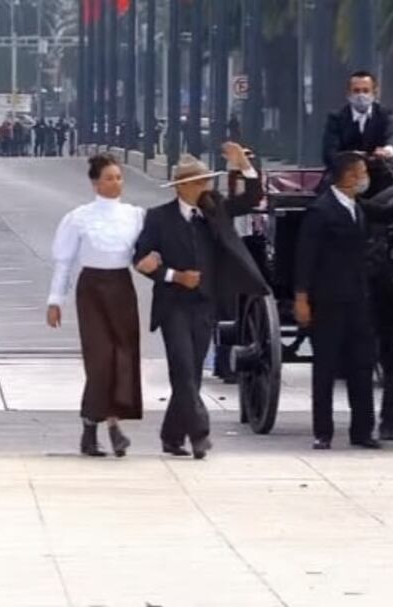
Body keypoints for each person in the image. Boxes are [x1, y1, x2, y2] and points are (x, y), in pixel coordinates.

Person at [133, 143, 268, 459]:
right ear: (181, 186)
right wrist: (174, 276)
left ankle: (171, 435)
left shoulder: (214, 209)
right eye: (197, 182)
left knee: (191, 372)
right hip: (173, 304)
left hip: (206, 304)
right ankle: (200, 435)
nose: (204, 187)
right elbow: (141, 258)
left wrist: (244, 167)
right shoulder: (158, 218)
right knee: (181, 367)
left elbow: (250, 199)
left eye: (206, 181)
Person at [294, 151, 393, 450]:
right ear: (349, 176)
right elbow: (305, 258)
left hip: (359, 299)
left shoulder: (357, 206)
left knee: (362, 364)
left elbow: (384, 213)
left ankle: (362, 430)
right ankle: (323, 432)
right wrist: (302, 298)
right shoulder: (321, 211)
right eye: (362, 172)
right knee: (325, 367)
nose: (365, 177)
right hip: (329, 300)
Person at [47, 153, 144, 457]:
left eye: (118, 177)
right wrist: (55, 300)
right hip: (92, 290)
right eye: (108, 178)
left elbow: (143, 253)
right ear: (94, 183)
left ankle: (114, 426)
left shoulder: (135, 215)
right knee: (100, 359)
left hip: (121, 288)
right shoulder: (79, 217)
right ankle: (91, 425)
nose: (115, 183)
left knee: (123, 358)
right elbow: (64, 262)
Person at [320, 70, 393, 193]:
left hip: (379, 173)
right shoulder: (336, 118)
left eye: (365, 91)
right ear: (348, 93)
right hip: (345, 174)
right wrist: (351, 157)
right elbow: (329, 153)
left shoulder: (385, 114)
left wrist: (388, 149)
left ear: (375, 93)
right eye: (356, 91)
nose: (361, 95)